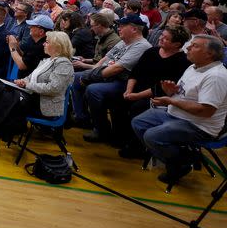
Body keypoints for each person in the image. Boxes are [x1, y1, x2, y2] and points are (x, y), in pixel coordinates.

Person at [0, 31, 75, 155]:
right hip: (32, 97)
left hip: (42, 105)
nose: (44, 44)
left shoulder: (64, 64)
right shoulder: (47, 60)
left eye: (47, 42)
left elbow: (53, 88)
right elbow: (31, 77)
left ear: (57, 45)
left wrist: (27, 84)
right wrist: (22, 81)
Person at [132, 35, 227, 185]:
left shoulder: (216, 76)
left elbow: (206, 111)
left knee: (152, 136)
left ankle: (181, 162)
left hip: (199, 125)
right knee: (139, 122)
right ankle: (182, 156)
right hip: (177, 114)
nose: (188, 47)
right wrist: (170, 91)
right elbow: (181, 95)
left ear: (210, 54)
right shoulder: (193, 67)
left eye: (195, 46)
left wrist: (170, 100)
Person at [72, 14, 152, 142]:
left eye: (122, 26)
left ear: (134, 29)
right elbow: (105, 59)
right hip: (108, 75)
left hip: (125, 82)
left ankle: (101, 129)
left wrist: (90, 76)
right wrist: (92, 70)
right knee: (75, 77)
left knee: (94, 90)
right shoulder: (123, 42)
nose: (118, 28)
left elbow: (117, 68)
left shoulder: (141, 46)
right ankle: (81, 117)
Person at [115, 25, 191, 157]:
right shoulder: (152, 52)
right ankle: (120, 137)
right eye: (162, 36)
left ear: (177, 44)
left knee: (137, 108)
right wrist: (129, 90)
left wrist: (136, 95)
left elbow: (162, 87)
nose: (160, 39)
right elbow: (135, 72)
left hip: (158, 95)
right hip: (136, 89)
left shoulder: (182, 61)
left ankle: (138, 146)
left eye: (166, 38)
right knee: (117, 101)